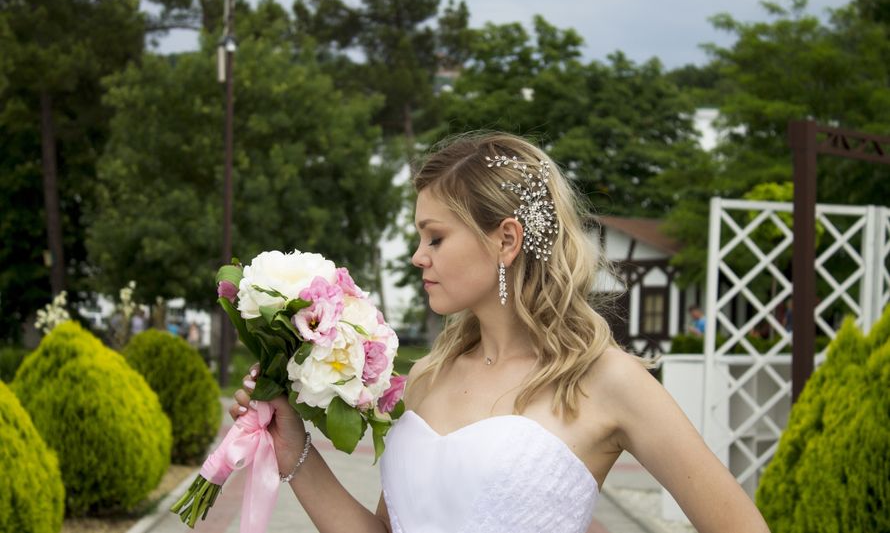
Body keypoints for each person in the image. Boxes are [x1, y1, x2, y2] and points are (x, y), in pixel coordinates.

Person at [231, 133, 770, 532]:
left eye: (435, 238)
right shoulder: (426, 377)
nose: (419, 257)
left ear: (506, 239)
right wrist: (295, 453)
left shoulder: (607, 382)